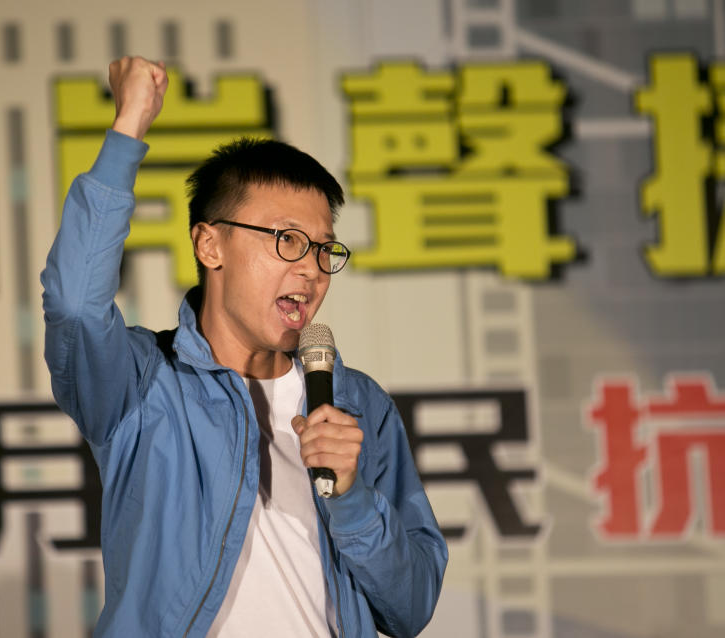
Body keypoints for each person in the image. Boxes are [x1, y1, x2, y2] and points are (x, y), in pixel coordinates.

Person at [42, 56, 448, 637]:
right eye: (287, 241)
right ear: (210, 245)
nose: (311, 271)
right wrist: (129, 124)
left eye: (323, 251)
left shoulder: (357, 404)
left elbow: (410, 608)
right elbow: (76, 304)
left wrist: (353, 498)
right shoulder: (144, 383)